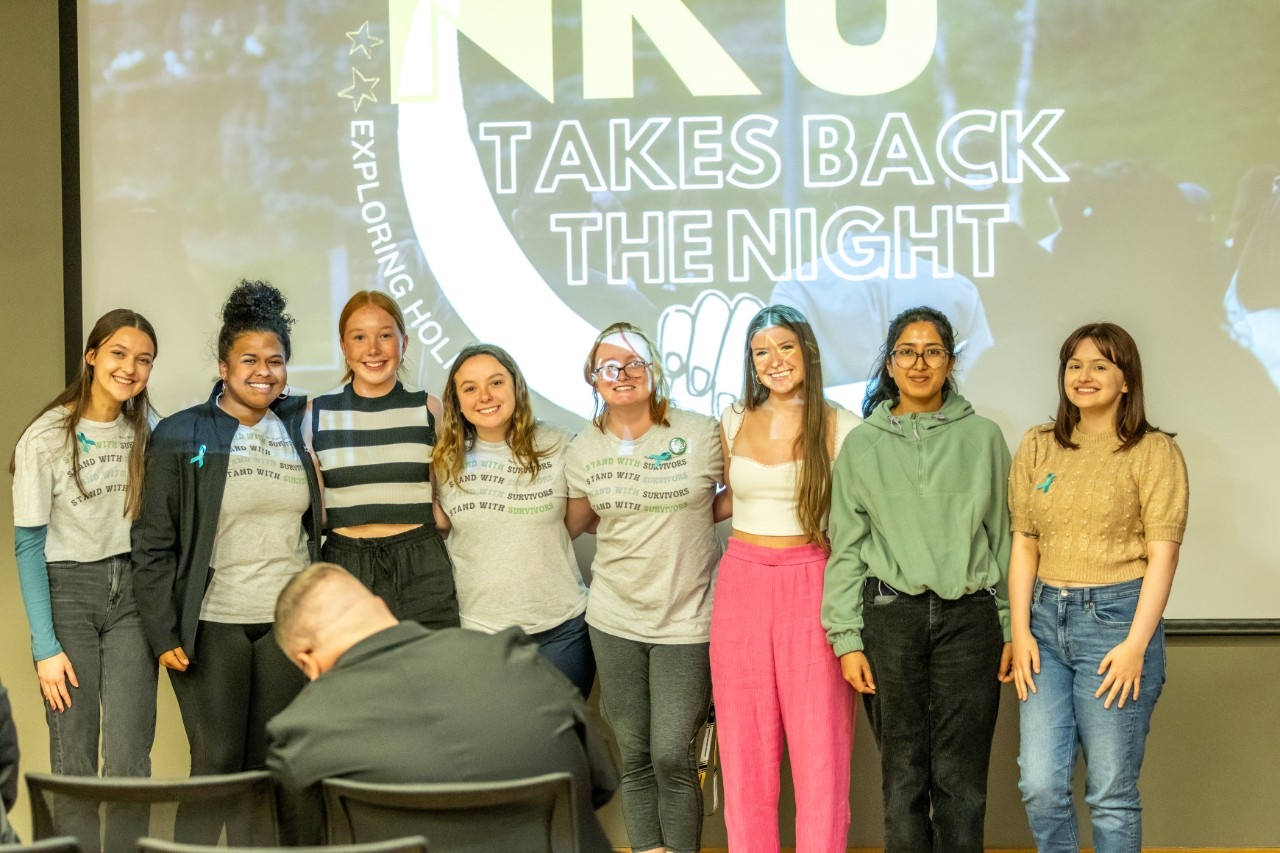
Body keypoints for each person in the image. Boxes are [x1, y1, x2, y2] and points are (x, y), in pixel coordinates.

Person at [132, 280, 322, 839]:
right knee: (215, 766)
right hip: (212, 623)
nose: (264, 371)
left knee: (270, 769)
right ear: (223, 365)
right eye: (249, 360)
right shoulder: (180, 433)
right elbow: (152, 542)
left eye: (276, 360)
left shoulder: (296, 425)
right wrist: (161, 628)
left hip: (286, 625)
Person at [822, 306, 1013, 853]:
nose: (919, 362)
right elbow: (847, 548)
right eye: (907, 351)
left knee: (962, 783)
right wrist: (846, 638)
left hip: (970, 623)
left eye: (933, 351)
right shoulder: (863, 444)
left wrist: (1007, 625)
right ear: (890, 362)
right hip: (890, 619)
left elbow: (1003, 538)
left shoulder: (983, 437)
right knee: (903, 780)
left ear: (951, 361)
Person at [267, 562, 619, 850]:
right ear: (381, 607)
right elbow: (602, 779)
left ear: (307, 663)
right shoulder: (514, 656)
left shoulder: (298, 732)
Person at [1008, 322, 1188, 853]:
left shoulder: (1153, 452)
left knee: (1110, 792)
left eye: (1100, 366)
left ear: (1126, 379)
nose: (1084, 377)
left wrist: (1135, 646)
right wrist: (1020, 631)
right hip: (1043, 623)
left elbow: (1164, 556)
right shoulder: (1038, 445)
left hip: (1116, 624)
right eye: (1074, 365)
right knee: (1039, 785)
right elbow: (1024, 543)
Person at [565, 321, 726, 853]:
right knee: (633, 755)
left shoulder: (701, 431)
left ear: (655, 369)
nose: (623, 374)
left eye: (634, 362)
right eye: (609, 367)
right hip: (614, 619)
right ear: (593, 379)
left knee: (671, 756)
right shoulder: (584, 448)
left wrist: (699, 514)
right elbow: (583, 518)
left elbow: (743, 493)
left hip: (687, 618)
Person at [710, 304, 859, 852]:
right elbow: (722, 502)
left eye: (785, 347)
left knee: (821, 748)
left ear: (807, 352)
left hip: (811, 579)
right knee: (745, 749)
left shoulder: (843, 425)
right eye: (760, 352)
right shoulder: (729, 421)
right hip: (742, 581)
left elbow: (858, 522)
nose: (774, 361)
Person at [10, 309, 159, 848]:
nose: (131, 368)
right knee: (72, 754)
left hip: (134, 598)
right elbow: (28, 545)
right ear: (92, 356)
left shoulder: (150, 430)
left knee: (128, 757)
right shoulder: (45, 437)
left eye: (144, 360)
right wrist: (43, 646)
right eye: (119, 353)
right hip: (67, 592)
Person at [433, 343, 593, 696]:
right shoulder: (444, 460)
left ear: (516, 387)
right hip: (480, 633)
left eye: (496, 383)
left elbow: (576, 521)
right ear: (457, 400)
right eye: (470, 388)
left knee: (562, 747)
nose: (484, 396)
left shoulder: (560, 443)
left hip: (562, 629)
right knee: (495, 747)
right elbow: (442, 528)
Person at [307, 290, 458, 627]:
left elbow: (443, 499)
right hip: (346, 563)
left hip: (422, 563)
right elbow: (316, 510)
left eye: (385, 335)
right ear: (344, 347)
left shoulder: (429, 408)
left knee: (432, 673)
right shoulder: (316, 413)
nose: (373, 349)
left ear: (403, 342)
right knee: (356, 676)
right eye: (359, 337)